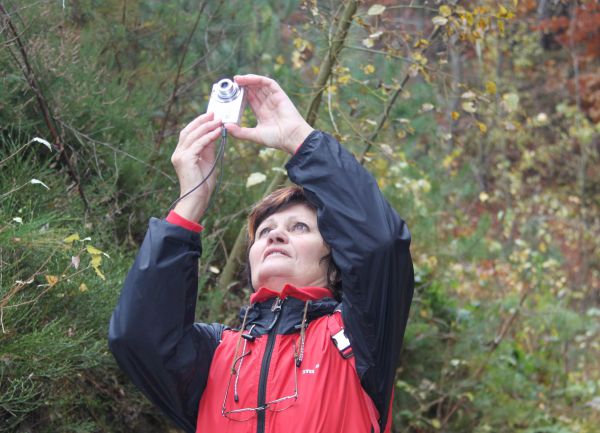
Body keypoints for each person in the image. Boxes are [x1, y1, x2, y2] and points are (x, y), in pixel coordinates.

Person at [108, 74, 414, 433]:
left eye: (299, 228)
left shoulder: (359, 334)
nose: (277, 235)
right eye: (265, 231)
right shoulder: (215, 354)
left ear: (335, 267)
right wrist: (191, 202)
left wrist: (300, 140)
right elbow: (137, 337)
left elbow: (379, 244)